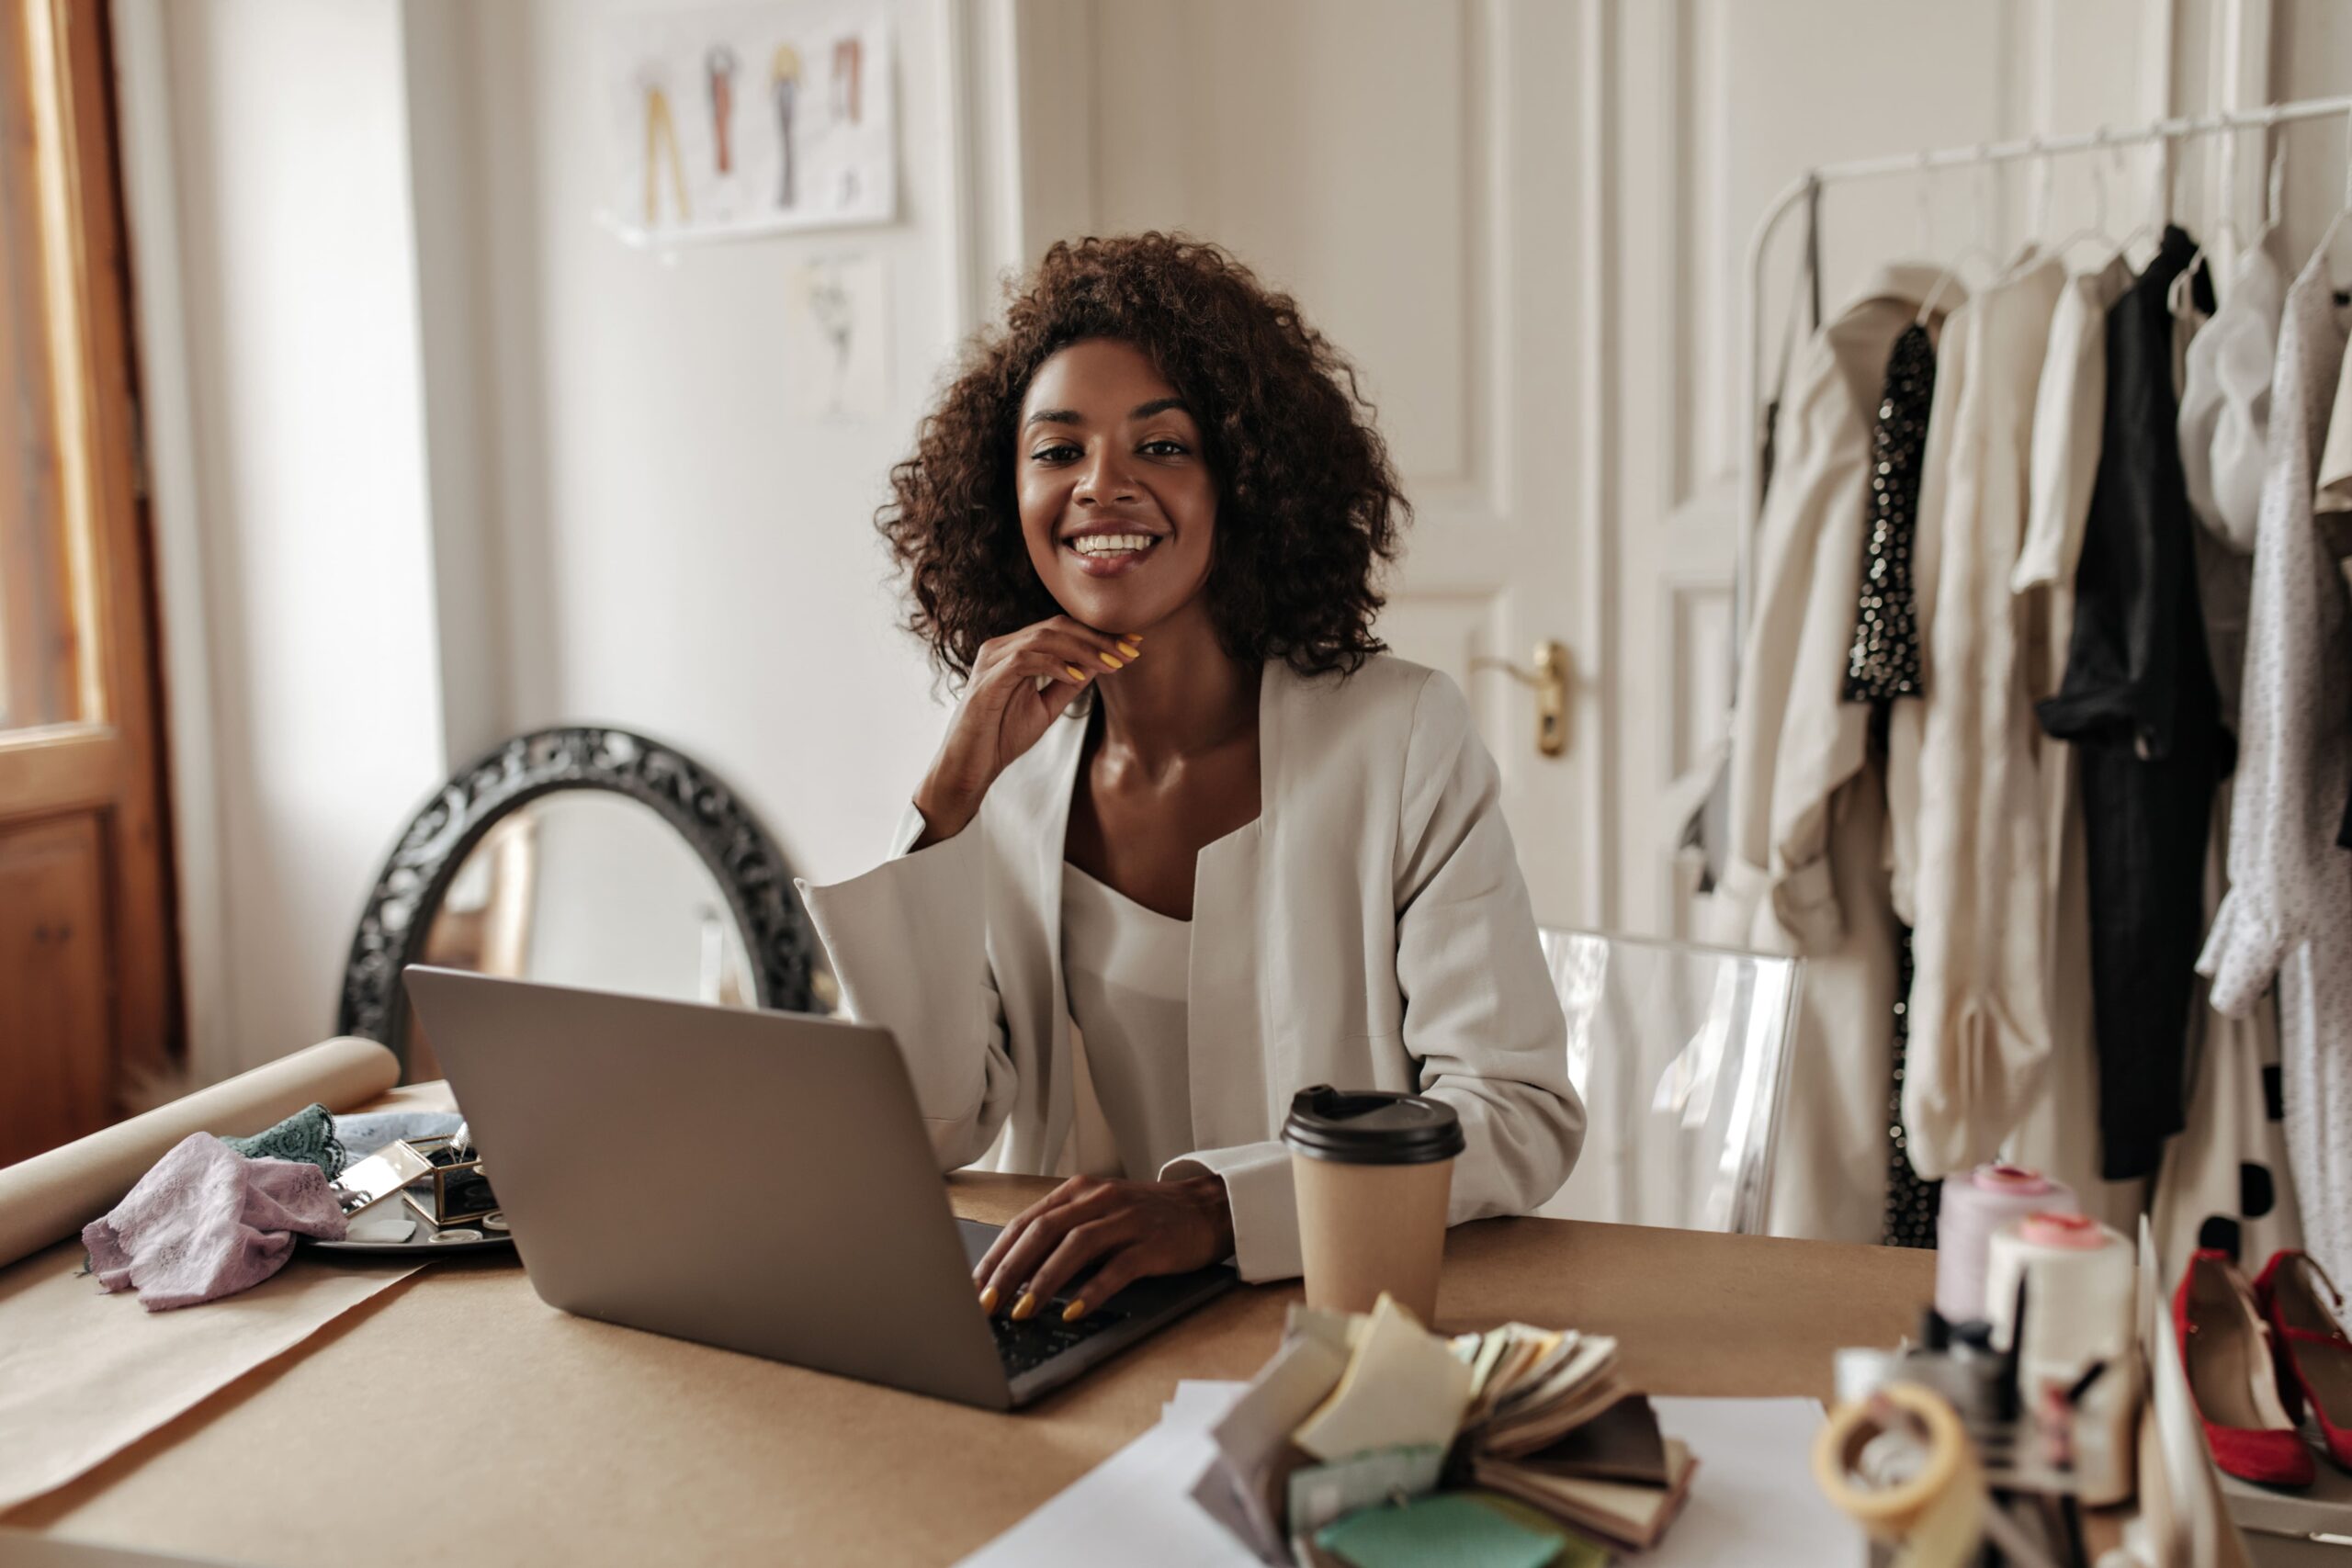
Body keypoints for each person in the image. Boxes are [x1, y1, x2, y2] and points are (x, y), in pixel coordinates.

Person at [796, 232, 1580, 1325]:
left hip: (1342, 1327)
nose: (1101, 487)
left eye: (1160, 446)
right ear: (1004, 492)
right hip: (1078, 1334)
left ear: (1242, 482)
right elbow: (934, 1128)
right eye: (1056, 451)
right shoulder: (1010, 776)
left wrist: (1217, 1211)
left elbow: (1516, 1110)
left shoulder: (1397, 736)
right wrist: (941, 813)